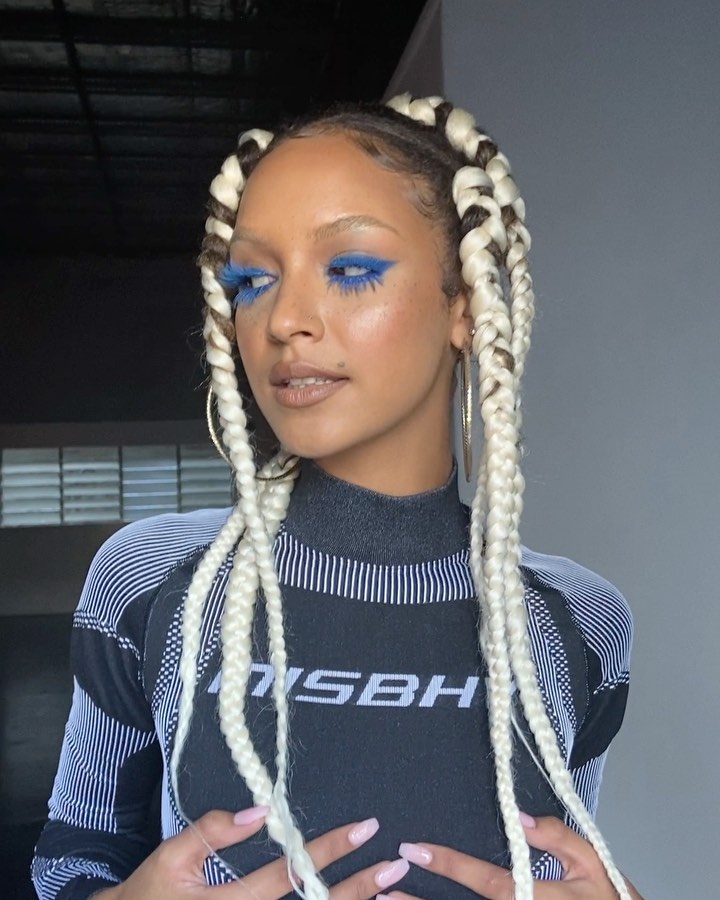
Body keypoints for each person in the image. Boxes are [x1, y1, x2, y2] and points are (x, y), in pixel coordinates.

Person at [32, 94, 641, 900]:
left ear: (464, 306)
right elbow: (71, 859)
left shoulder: (581, 622)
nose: (285, 319)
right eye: (253, 279)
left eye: (350, 269)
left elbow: (568, 865)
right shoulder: (150, 579)